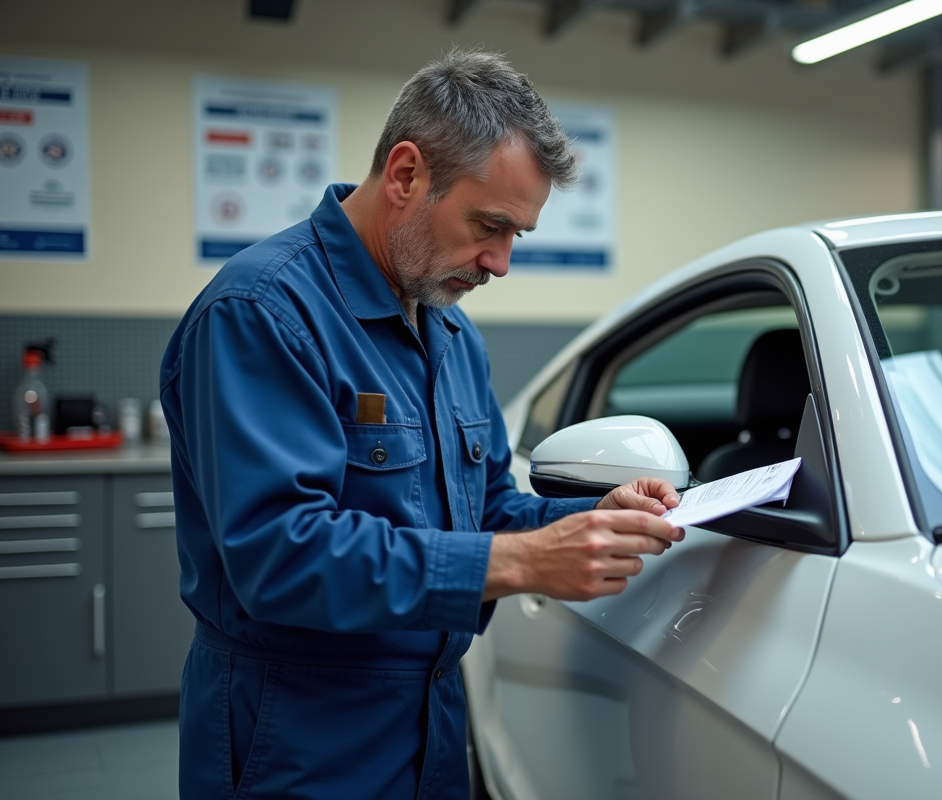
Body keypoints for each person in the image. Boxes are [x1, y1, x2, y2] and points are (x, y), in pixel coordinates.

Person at [160, 49, 683, 799]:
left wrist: (590, 519)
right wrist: (526, 564)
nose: (500, 263)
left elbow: (489, 511)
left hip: (430, 727)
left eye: (516, 238)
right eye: (489, 226)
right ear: (406, 175)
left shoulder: (449, 330)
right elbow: (281, 555)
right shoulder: (263, 314)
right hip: (298, 740)